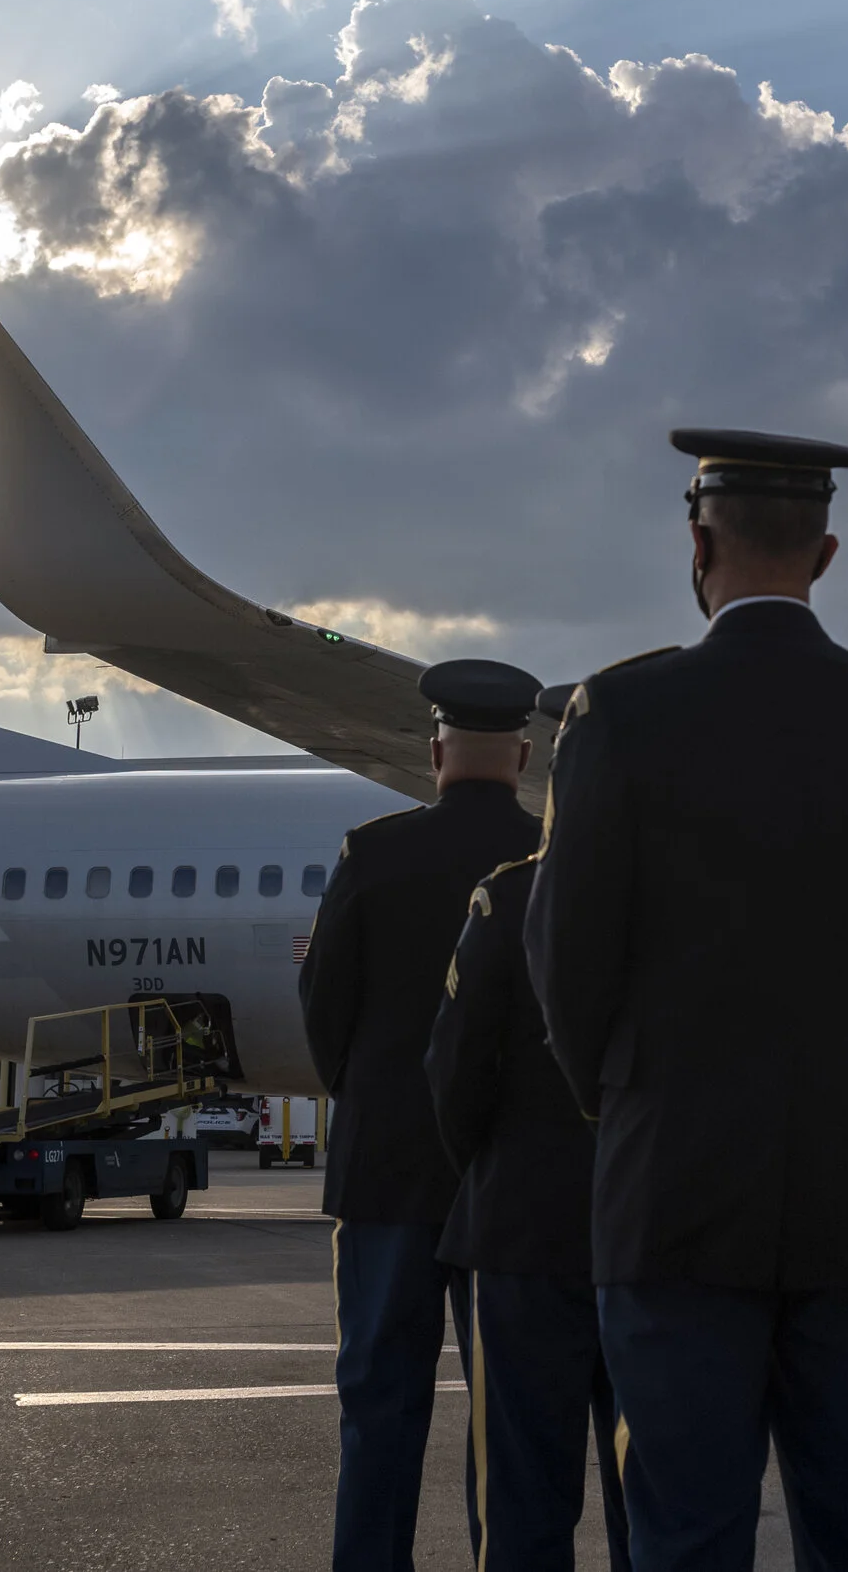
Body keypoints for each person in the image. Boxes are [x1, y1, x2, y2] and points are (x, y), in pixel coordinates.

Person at [525, 428, 848, 1572]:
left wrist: (625, 1098)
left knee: (683, 1530)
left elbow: (566, 959)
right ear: (825, 552)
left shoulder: (618, 714)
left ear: (697, 541)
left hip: (673, 1187)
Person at [304, 658, 546, 1572]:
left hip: (389, 1167)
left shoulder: (374, 853)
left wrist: (368, 1098)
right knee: (509, 1415)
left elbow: (324, 1007)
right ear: (523, 755)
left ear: (435, 748)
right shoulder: (545, 865)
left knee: (378, 1399)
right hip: (508, 1177)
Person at [425, 681, 630, 1572]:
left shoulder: (508, 899)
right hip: (648, 1231)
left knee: (522, 1500)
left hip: (524, 1233)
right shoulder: (678, 902)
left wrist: (497, 1167)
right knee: (658, 1501)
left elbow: (455, 1073)